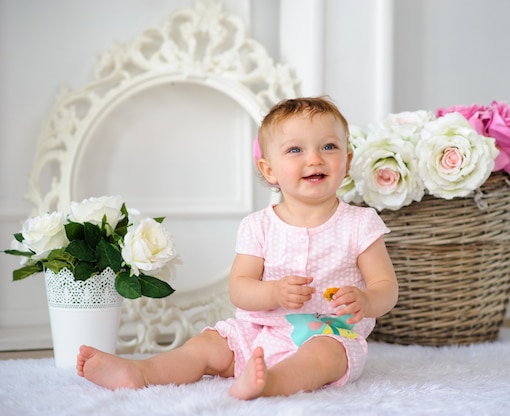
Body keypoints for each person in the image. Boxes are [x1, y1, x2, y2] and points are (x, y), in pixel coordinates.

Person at [76, 96, 398, 400]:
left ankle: (270, 382)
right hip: (257, 331)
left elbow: (386, 288)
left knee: (323, 358)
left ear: (347, 161)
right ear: (269, 170)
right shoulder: (258, 226)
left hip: (330, 331)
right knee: (205, 346)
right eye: (295, 150)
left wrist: (366, 300)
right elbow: (239, 289)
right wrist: (273, 294)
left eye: (329, 146)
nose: (314, 158)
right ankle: (142, 372)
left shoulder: (360, 223)